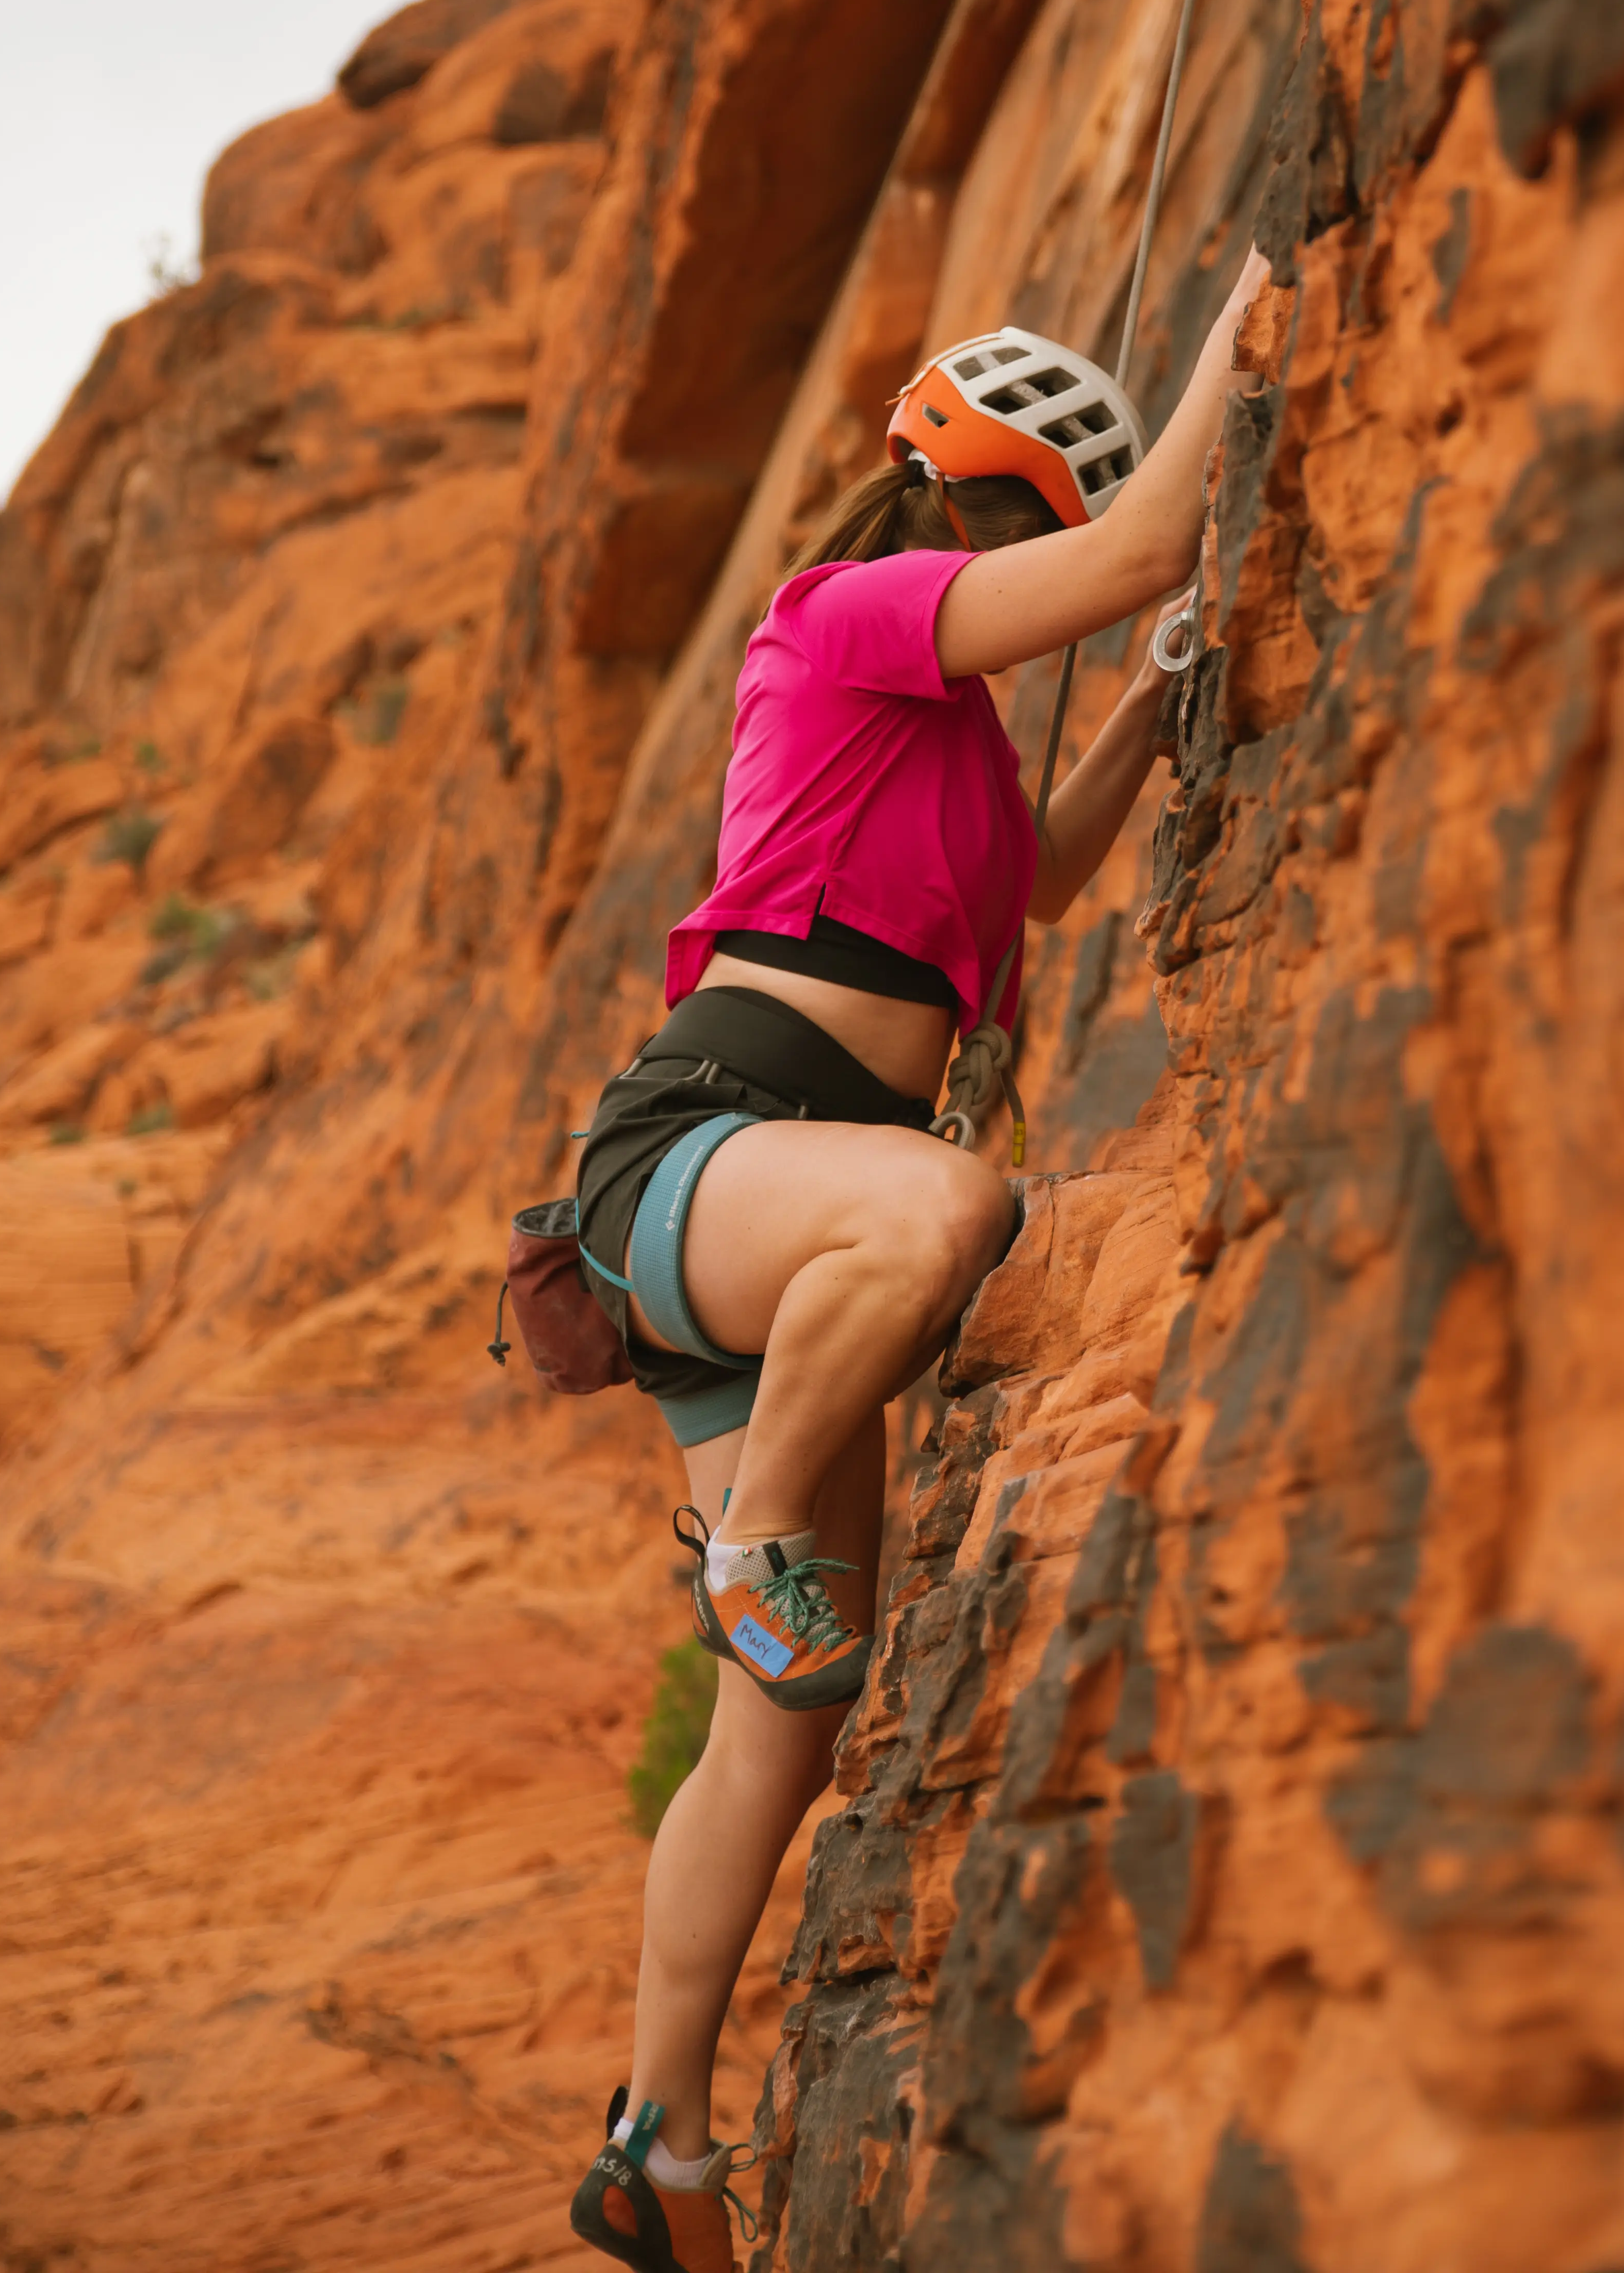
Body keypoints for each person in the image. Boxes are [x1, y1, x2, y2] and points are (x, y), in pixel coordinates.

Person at [568, 250, 1267, 2273]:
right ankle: (752, 1529)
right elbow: (1141, 546)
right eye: (1021, 528)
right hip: (712, 1152)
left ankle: (654, 2147)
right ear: (979, 502)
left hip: (784, 1227)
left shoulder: (947, 742)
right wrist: (1254, 298)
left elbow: (1033, 882)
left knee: (787, 1724)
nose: (1024, 566)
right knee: (950, 1210)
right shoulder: (843, 609)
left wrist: (1143, 709)